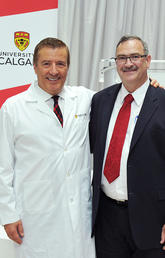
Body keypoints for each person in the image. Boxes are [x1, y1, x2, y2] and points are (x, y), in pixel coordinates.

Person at [0, 37, 96, 258]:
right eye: (46, 64)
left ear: (68, 67)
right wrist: (8, 215)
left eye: (60, 64)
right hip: (35, 221)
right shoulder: (13, 108)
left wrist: (152, 87)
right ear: (34, 67)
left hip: (79, 218)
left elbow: (120, 100)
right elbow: (3, 167)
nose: (54, 71)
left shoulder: (84, 99)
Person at [89, 35, 165, 258]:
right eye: (122, 58)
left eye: (135, 56)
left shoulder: (163, 102)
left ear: (148, 60)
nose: (128, 63)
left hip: (152, 221)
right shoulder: (100, 101)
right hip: (107, 220)